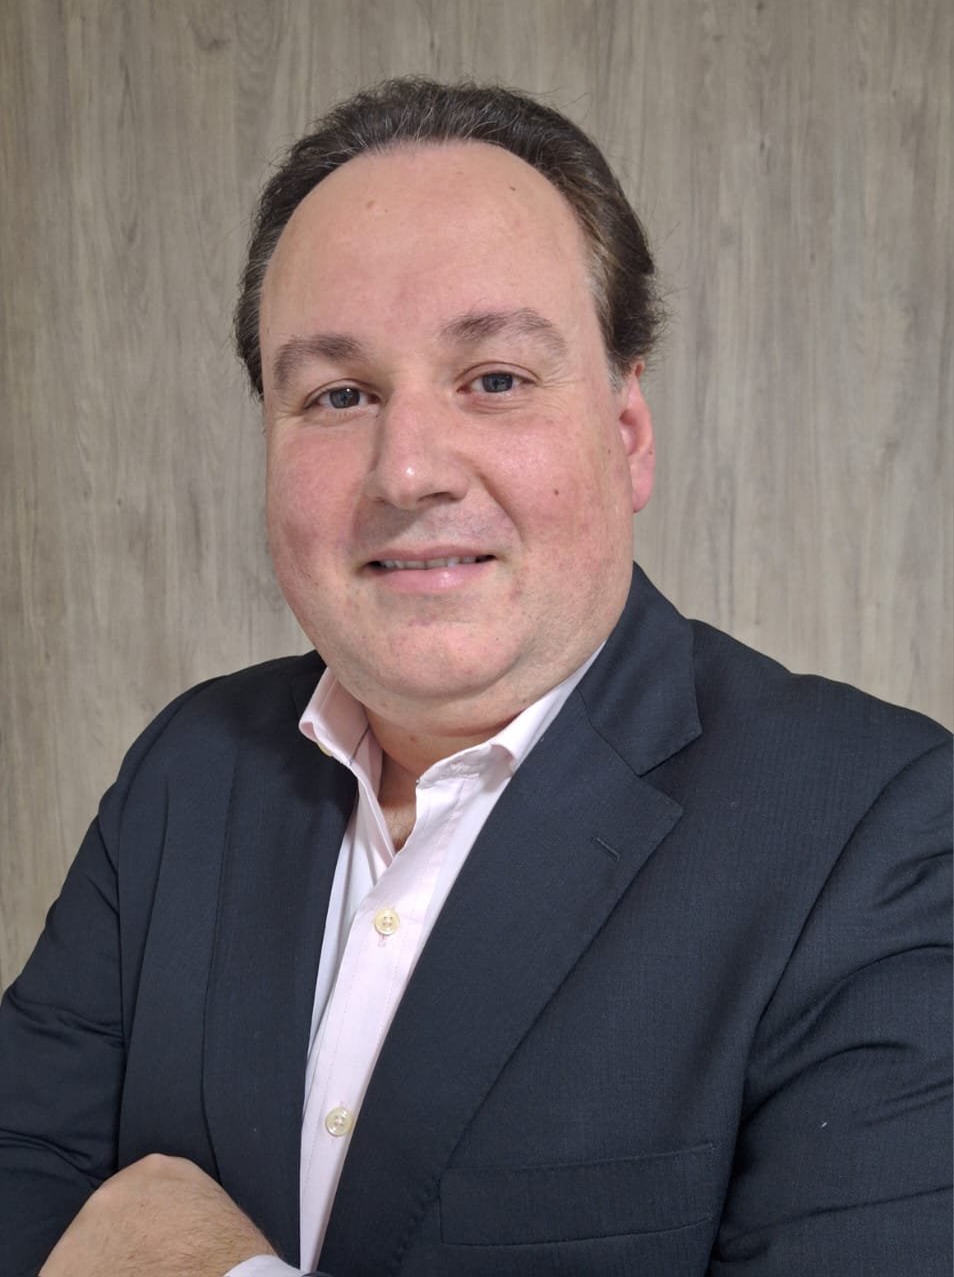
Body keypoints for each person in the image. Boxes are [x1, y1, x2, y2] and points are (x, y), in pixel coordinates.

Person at [1, 77, 950, 1277]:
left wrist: (199, 1261)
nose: (409, 470)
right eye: (339, 394)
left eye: (495, 377)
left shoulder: (880, 829)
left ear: (627, 432)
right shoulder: (186, 773)